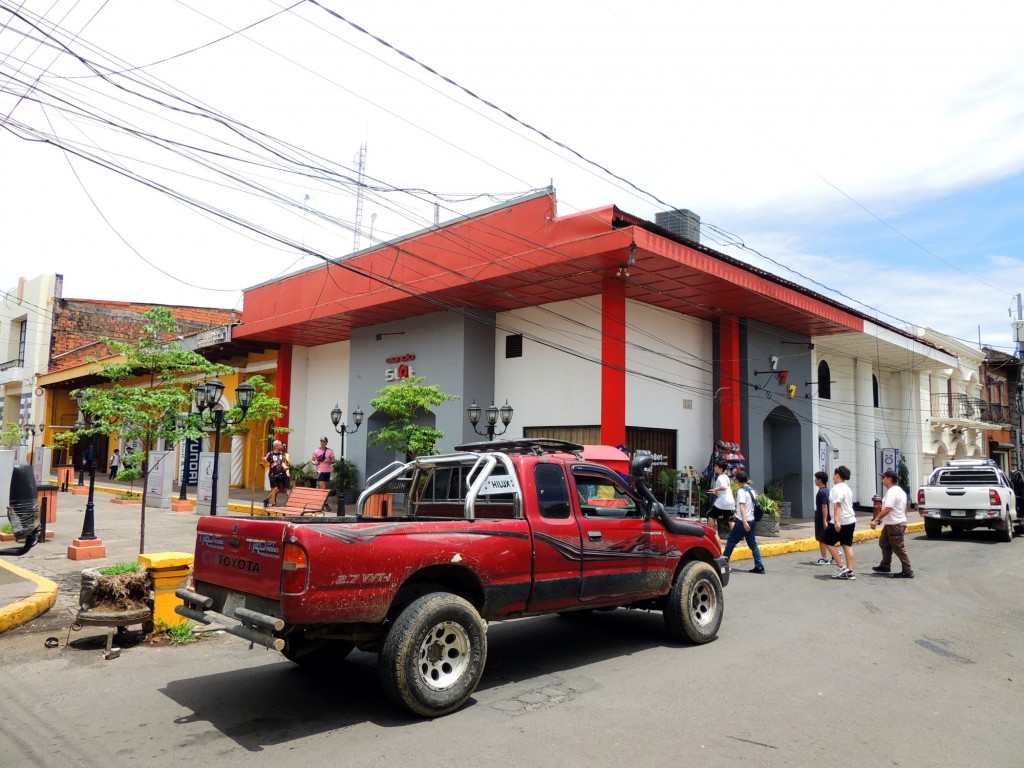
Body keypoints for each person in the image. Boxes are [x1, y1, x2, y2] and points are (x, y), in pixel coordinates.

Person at [871, 469, 914, 578]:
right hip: (892, 523)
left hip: (895, 524)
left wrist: (876, 519)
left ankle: (907, 570)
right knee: (884, 543)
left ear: (889, 479)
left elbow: (888, 508)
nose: (882, 480)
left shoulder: (892, 492)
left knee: (898, 547)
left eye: (884, 478)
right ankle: (885, 565)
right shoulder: (898, 490)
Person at [722, 470, 765, 573]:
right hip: (752, 521)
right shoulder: (752, 490)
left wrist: (744, 521)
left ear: (738, 481)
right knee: (753, 545)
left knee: (731, 542)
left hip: (743, 522)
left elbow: (742, 506)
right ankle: (759, 566)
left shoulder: (741, 491)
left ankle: (723, 564)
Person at [824, 465, 856, 580]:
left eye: (834, 475)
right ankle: (850, 570)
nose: (833, 477)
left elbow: (837, 505)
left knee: (827, 541)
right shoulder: (847, 488)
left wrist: (836, 521)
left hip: (840, 520)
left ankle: (841, 566)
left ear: (838, 475)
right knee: (847, 545)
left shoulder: (836, 488)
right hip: (850, 520)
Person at [812, 470, 840, 566]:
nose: (815, 480)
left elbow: (824, 506)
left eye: (816, 479)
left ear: (820, 480)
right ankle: (835, 553)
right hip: (827, 517)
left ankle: (824, 558)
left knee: (821, 538)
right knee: (825, 537)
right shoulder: (827, 491)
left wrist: (824, 520)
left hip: (821, 518)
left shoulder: (821, 492)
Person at [707, 459, 735, 536]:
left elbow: (724, 487)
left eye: (716, 467)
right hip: (730, 502)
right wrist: (715, 492)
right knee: (730, 520)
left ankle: (709, 535)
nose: (714, 468)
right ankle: (736, 538)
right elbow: (723, 491)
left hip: (722, 502)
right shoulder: (726, 477)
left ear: (721, 469)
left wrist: (715, 489)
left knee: (711, 516)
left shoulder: (720, 477)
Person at [264, 440, 291, 507]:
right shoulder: (270, 454)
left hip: (280, 473)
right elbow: (265, 462)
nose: (281, 446)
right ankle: (273, 503)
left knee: (277, 489)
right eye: (280, 445)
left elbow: (282, 462)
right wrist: (264, 460)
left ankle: (267, 500)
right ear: (275, 446)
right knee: (274, 488)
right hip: (273, 474)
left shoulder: (281, 454)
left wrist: (285, 467)